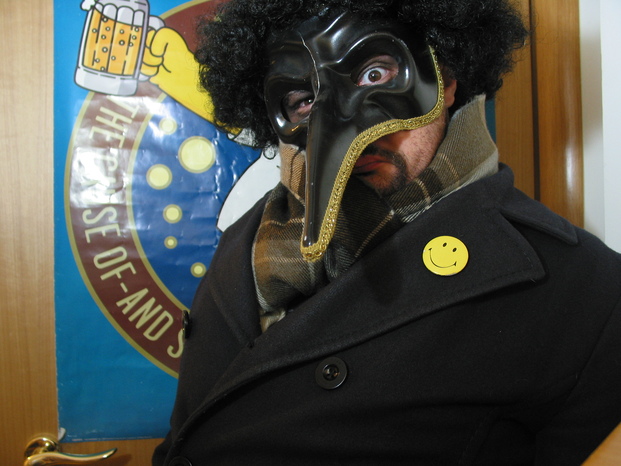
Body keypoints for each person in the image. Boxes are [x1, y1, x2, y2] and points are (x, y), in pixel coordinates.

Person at [153, 0, 621, 464]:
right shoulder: (249, 238)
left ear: (446, 79)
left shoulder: (584, 291)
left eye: (374, 75)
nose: (344, 125)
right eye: (304, 100)